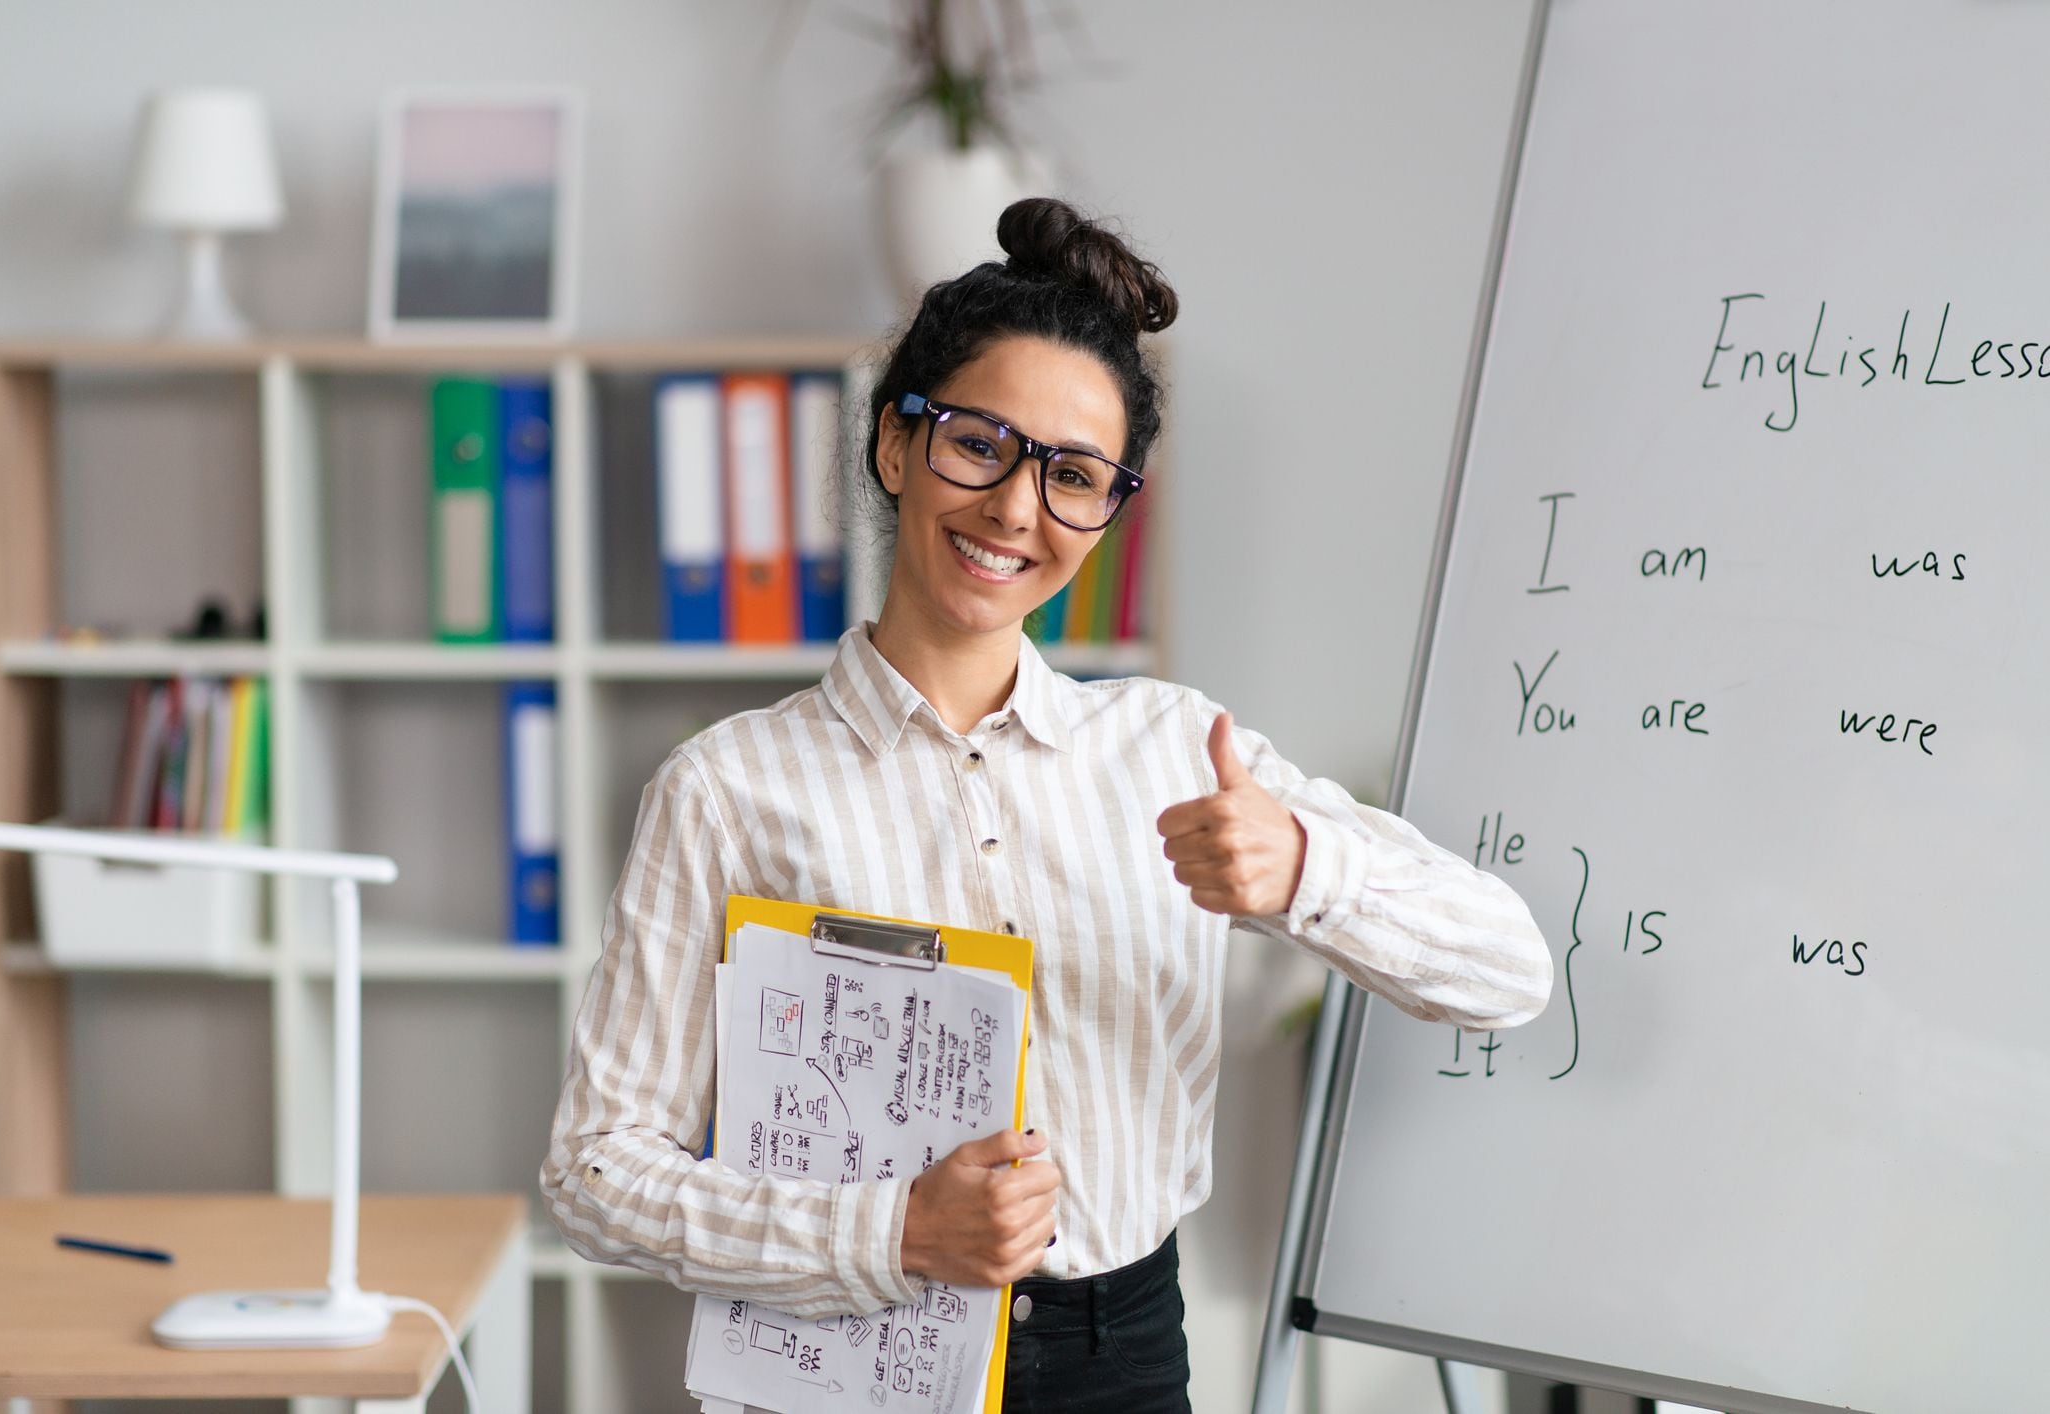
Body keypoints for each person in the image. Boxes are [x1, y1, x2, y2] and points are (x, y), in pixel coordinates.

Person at [541, 197, 1553, 1411]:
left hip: (1117, 1359)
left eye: (1073, 476)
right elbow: (595, 1171)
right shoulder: (726, 787)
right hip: (845, 1361)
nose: (1017, 510)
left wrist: (1302, 870)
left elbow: (1509, 974)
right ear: (896, 445)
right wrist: (893, 1232)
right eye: (980, 444)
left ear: (1110, 510)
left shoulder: (1176, 750)